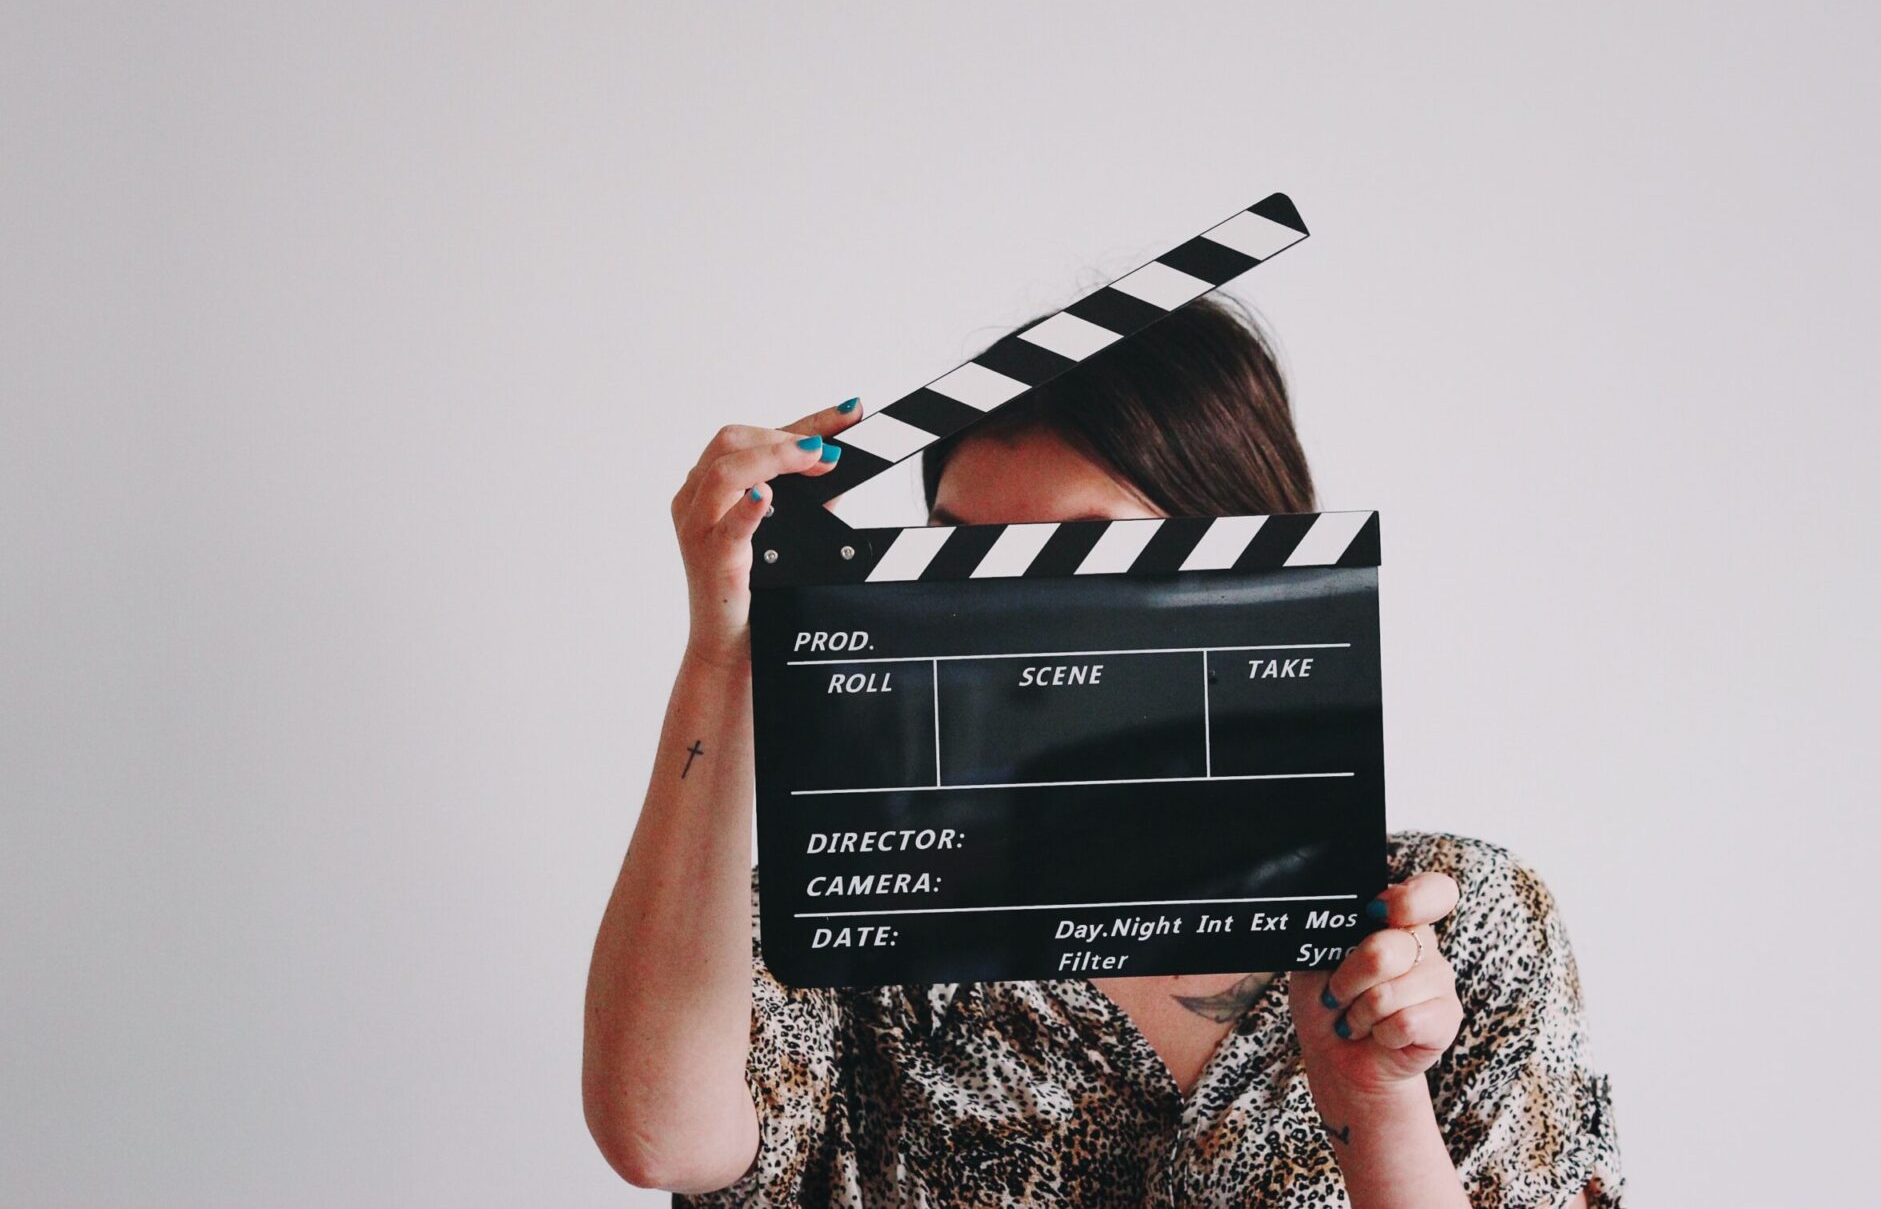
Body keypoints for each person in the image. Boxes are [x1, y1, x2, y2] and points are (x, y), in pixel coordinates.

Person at [583, 293, 1626, 1207]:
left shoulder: (1451, 926)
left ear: (1241, 571)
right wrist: (726, 652)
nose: (999, 625)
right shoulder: (856, 910)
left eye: (1074, 555)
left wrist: (1376, 1104)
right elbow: (658, 1134)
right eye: (957, 558)